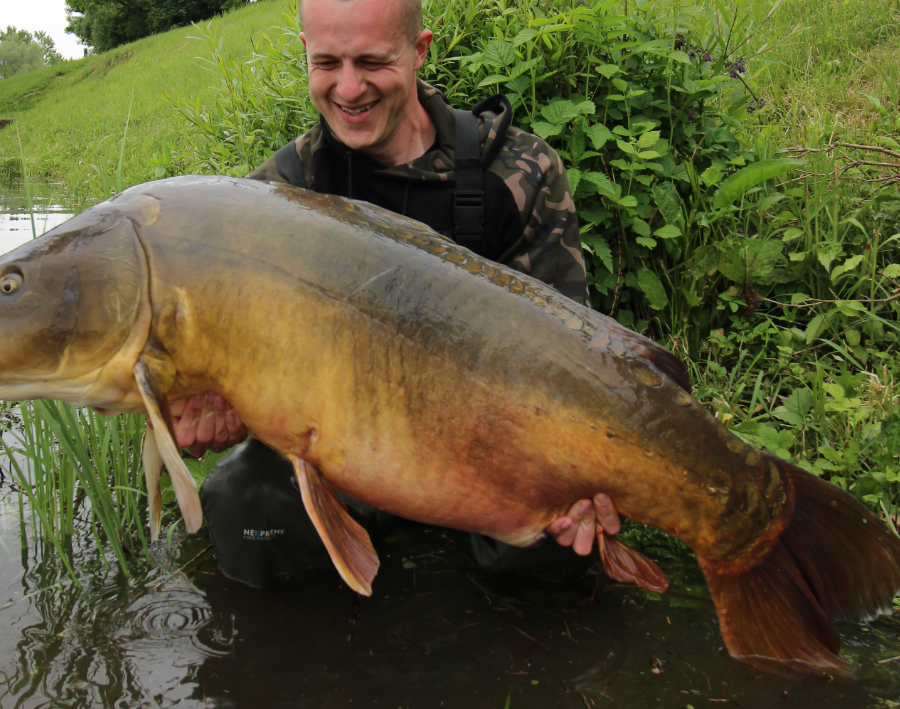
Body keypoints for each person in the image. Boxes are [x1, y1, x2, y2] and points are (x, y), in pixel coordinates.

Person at [168, 0, 620, 588]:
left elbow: (573, 360)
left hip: (488, 447)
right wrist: (222, 408)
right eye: (326, 62)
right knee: (246, 513)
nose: (348, 88)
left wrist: (584, 472)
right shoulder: (279, 196)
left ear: (419, 50)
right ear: (304, 49)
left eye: (372, 62)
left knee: (560, 549)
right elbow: (240, 368)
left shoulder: (517, 170)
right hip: (342, 454)